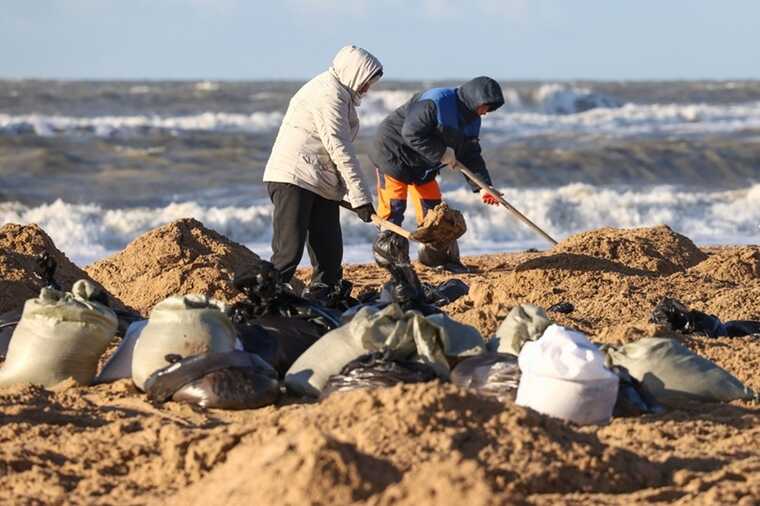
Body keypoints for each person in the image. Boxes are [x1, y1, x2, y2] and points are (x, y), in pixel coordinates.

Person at [263, 45, 382, 301]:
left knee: (329, 253)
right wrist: (361, 198)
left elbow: (330, 155)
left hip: (318, 180)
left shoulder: (342, 95)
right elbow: (339, 148)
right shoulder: (328, 94)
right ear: (354, 73)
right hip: (293, 178)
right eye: (366, 81)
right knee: (288, 253)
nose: (367, 89)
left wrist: (352, 198)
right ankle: (261, 299)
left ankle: (323, 297)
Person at [369, 76, 505, 273]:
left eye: (489, 109)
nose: (485, 113)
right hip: (392, 152)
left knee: (435, 212)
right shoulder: (436, 101)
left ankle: (433, 259)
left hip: (422, 165)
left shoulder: (473, 121)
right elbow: (411, 133)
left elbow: (471, 155)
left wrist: (484, 187)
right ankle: (391, 260)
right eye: (485, 107)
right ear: (474, 99)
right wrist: (441, 153)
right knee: (394, 207)